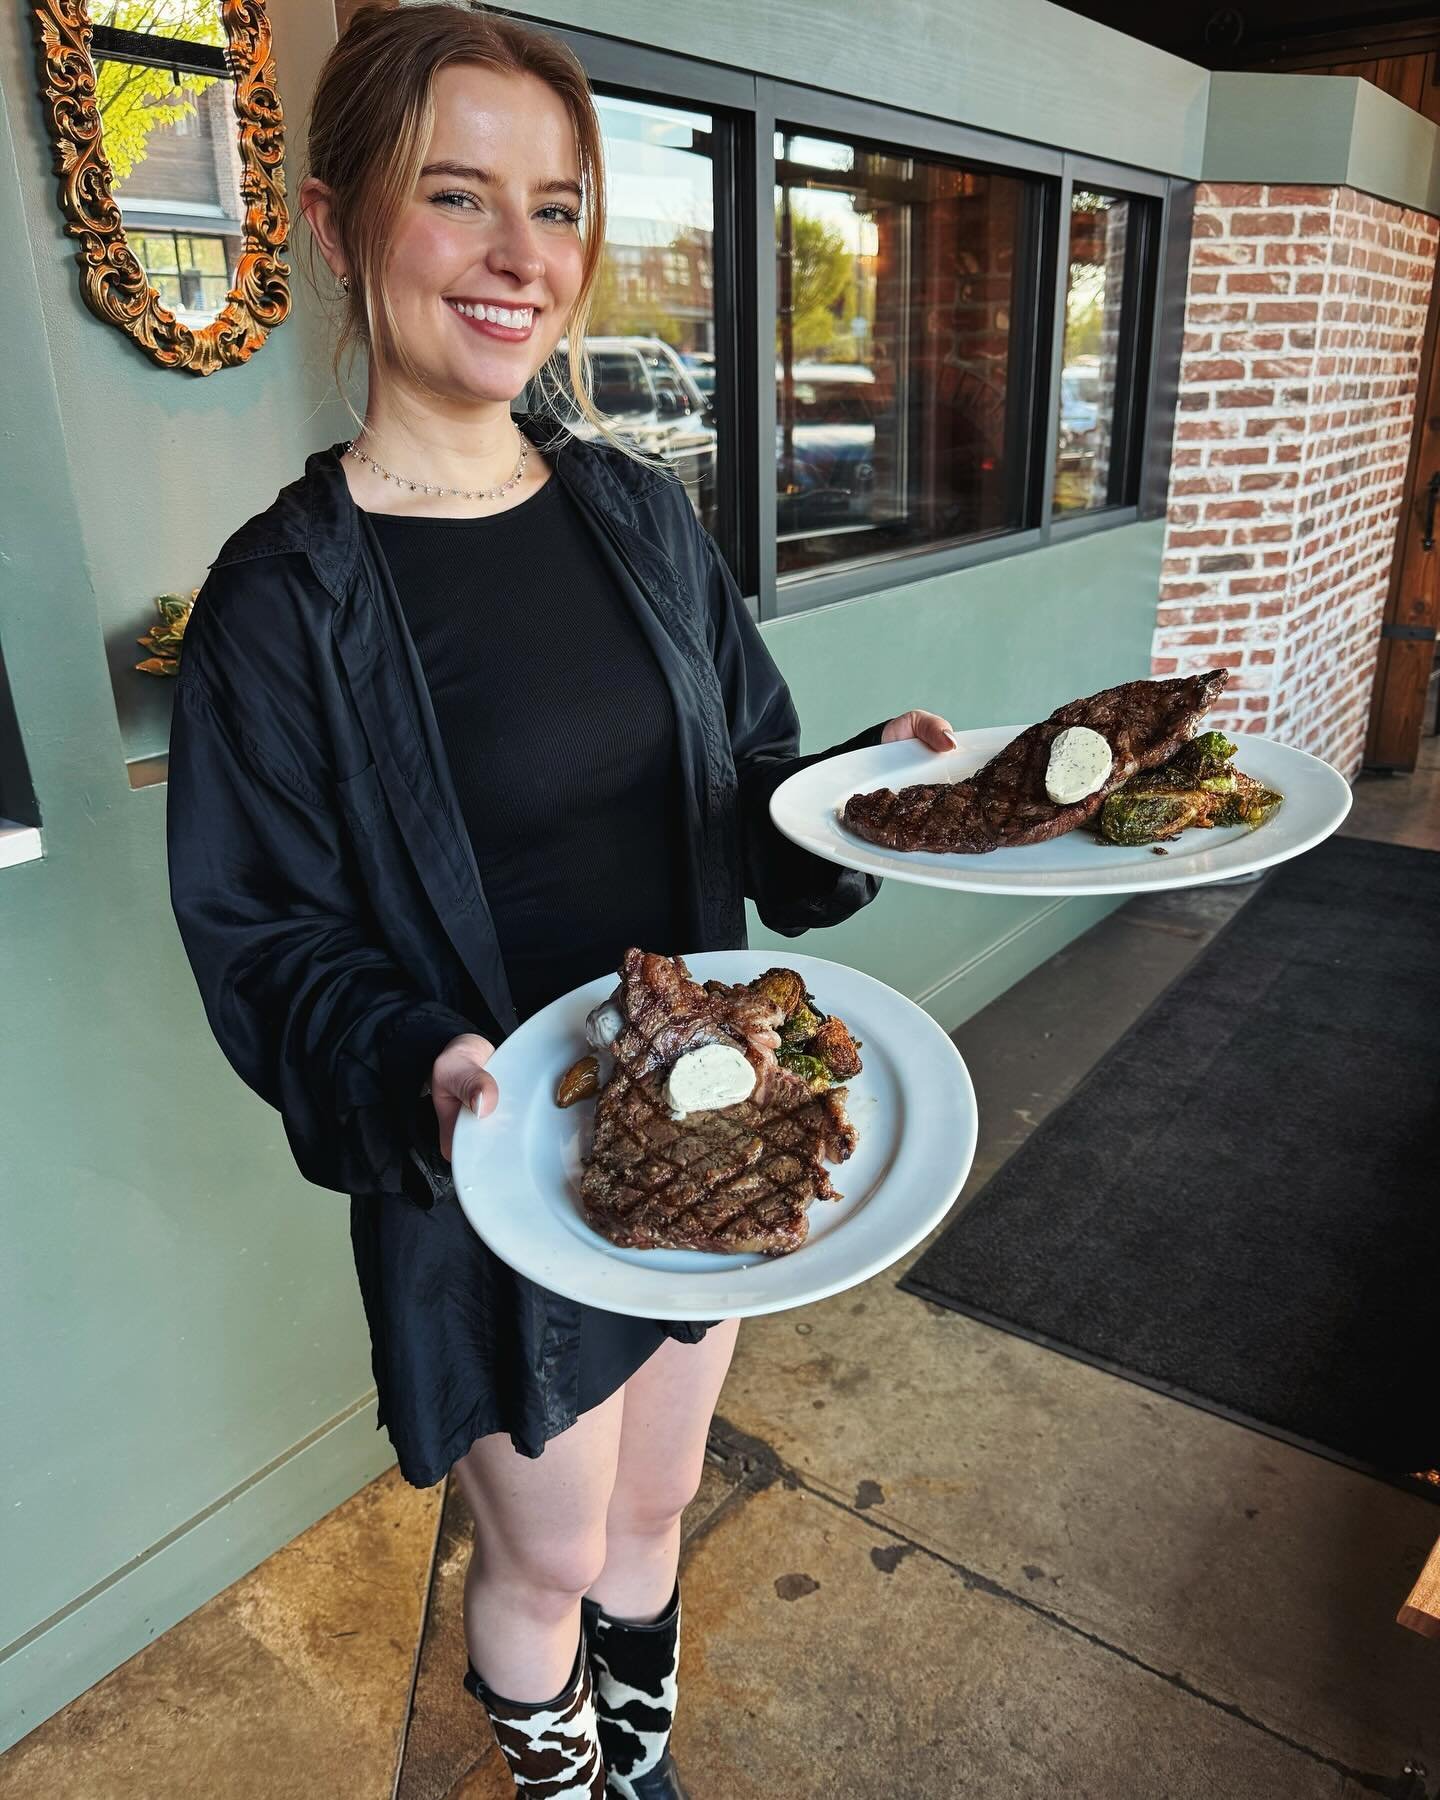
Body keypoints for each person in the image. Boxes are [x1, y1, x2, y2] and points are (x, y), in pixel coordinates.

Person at [164, 7, 955, 1796]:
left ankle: (640, 1764)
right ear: (337, 222)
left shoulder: (635, 517)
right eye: (460, 196)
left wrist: (858, 799)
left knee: (660, 1497)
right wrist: (421, 1062)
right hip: (496, 1180)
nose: (524, 257)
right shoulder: (281, 604)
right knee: (543, 1551)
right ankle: (563, 1783)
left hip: (710, 1129)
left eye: (562, 205)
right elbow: (263, 936)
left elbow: (744, 780)